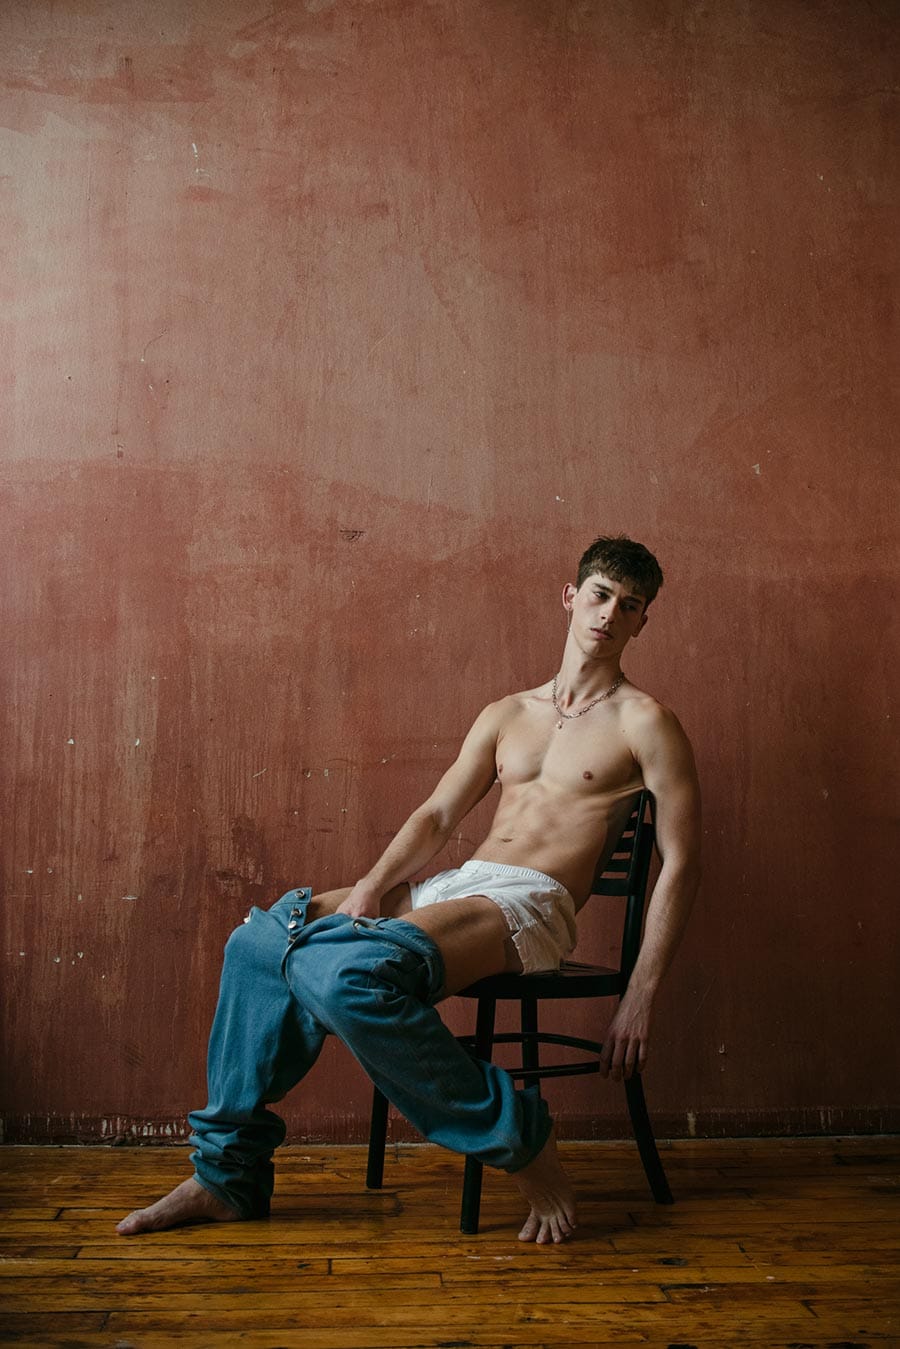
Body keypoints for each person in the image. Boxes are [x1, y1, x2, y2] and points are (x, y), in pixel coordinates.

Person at [117, 535, 701, 1245]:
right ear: (571, 596)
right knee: (258, 943)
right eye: (601, 595)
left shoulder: (646, 722)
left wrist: (640, 994)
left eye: (630, 606)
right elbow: (437, 816)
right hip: (462, 886)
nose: (610, 613)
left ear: (643, 622)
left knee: (348, 974)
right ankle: (226, 1177)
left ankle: (520, 1136)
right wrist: (372, 886)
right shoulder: (507, 713)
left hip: (531, 904)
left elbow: (680, 863)